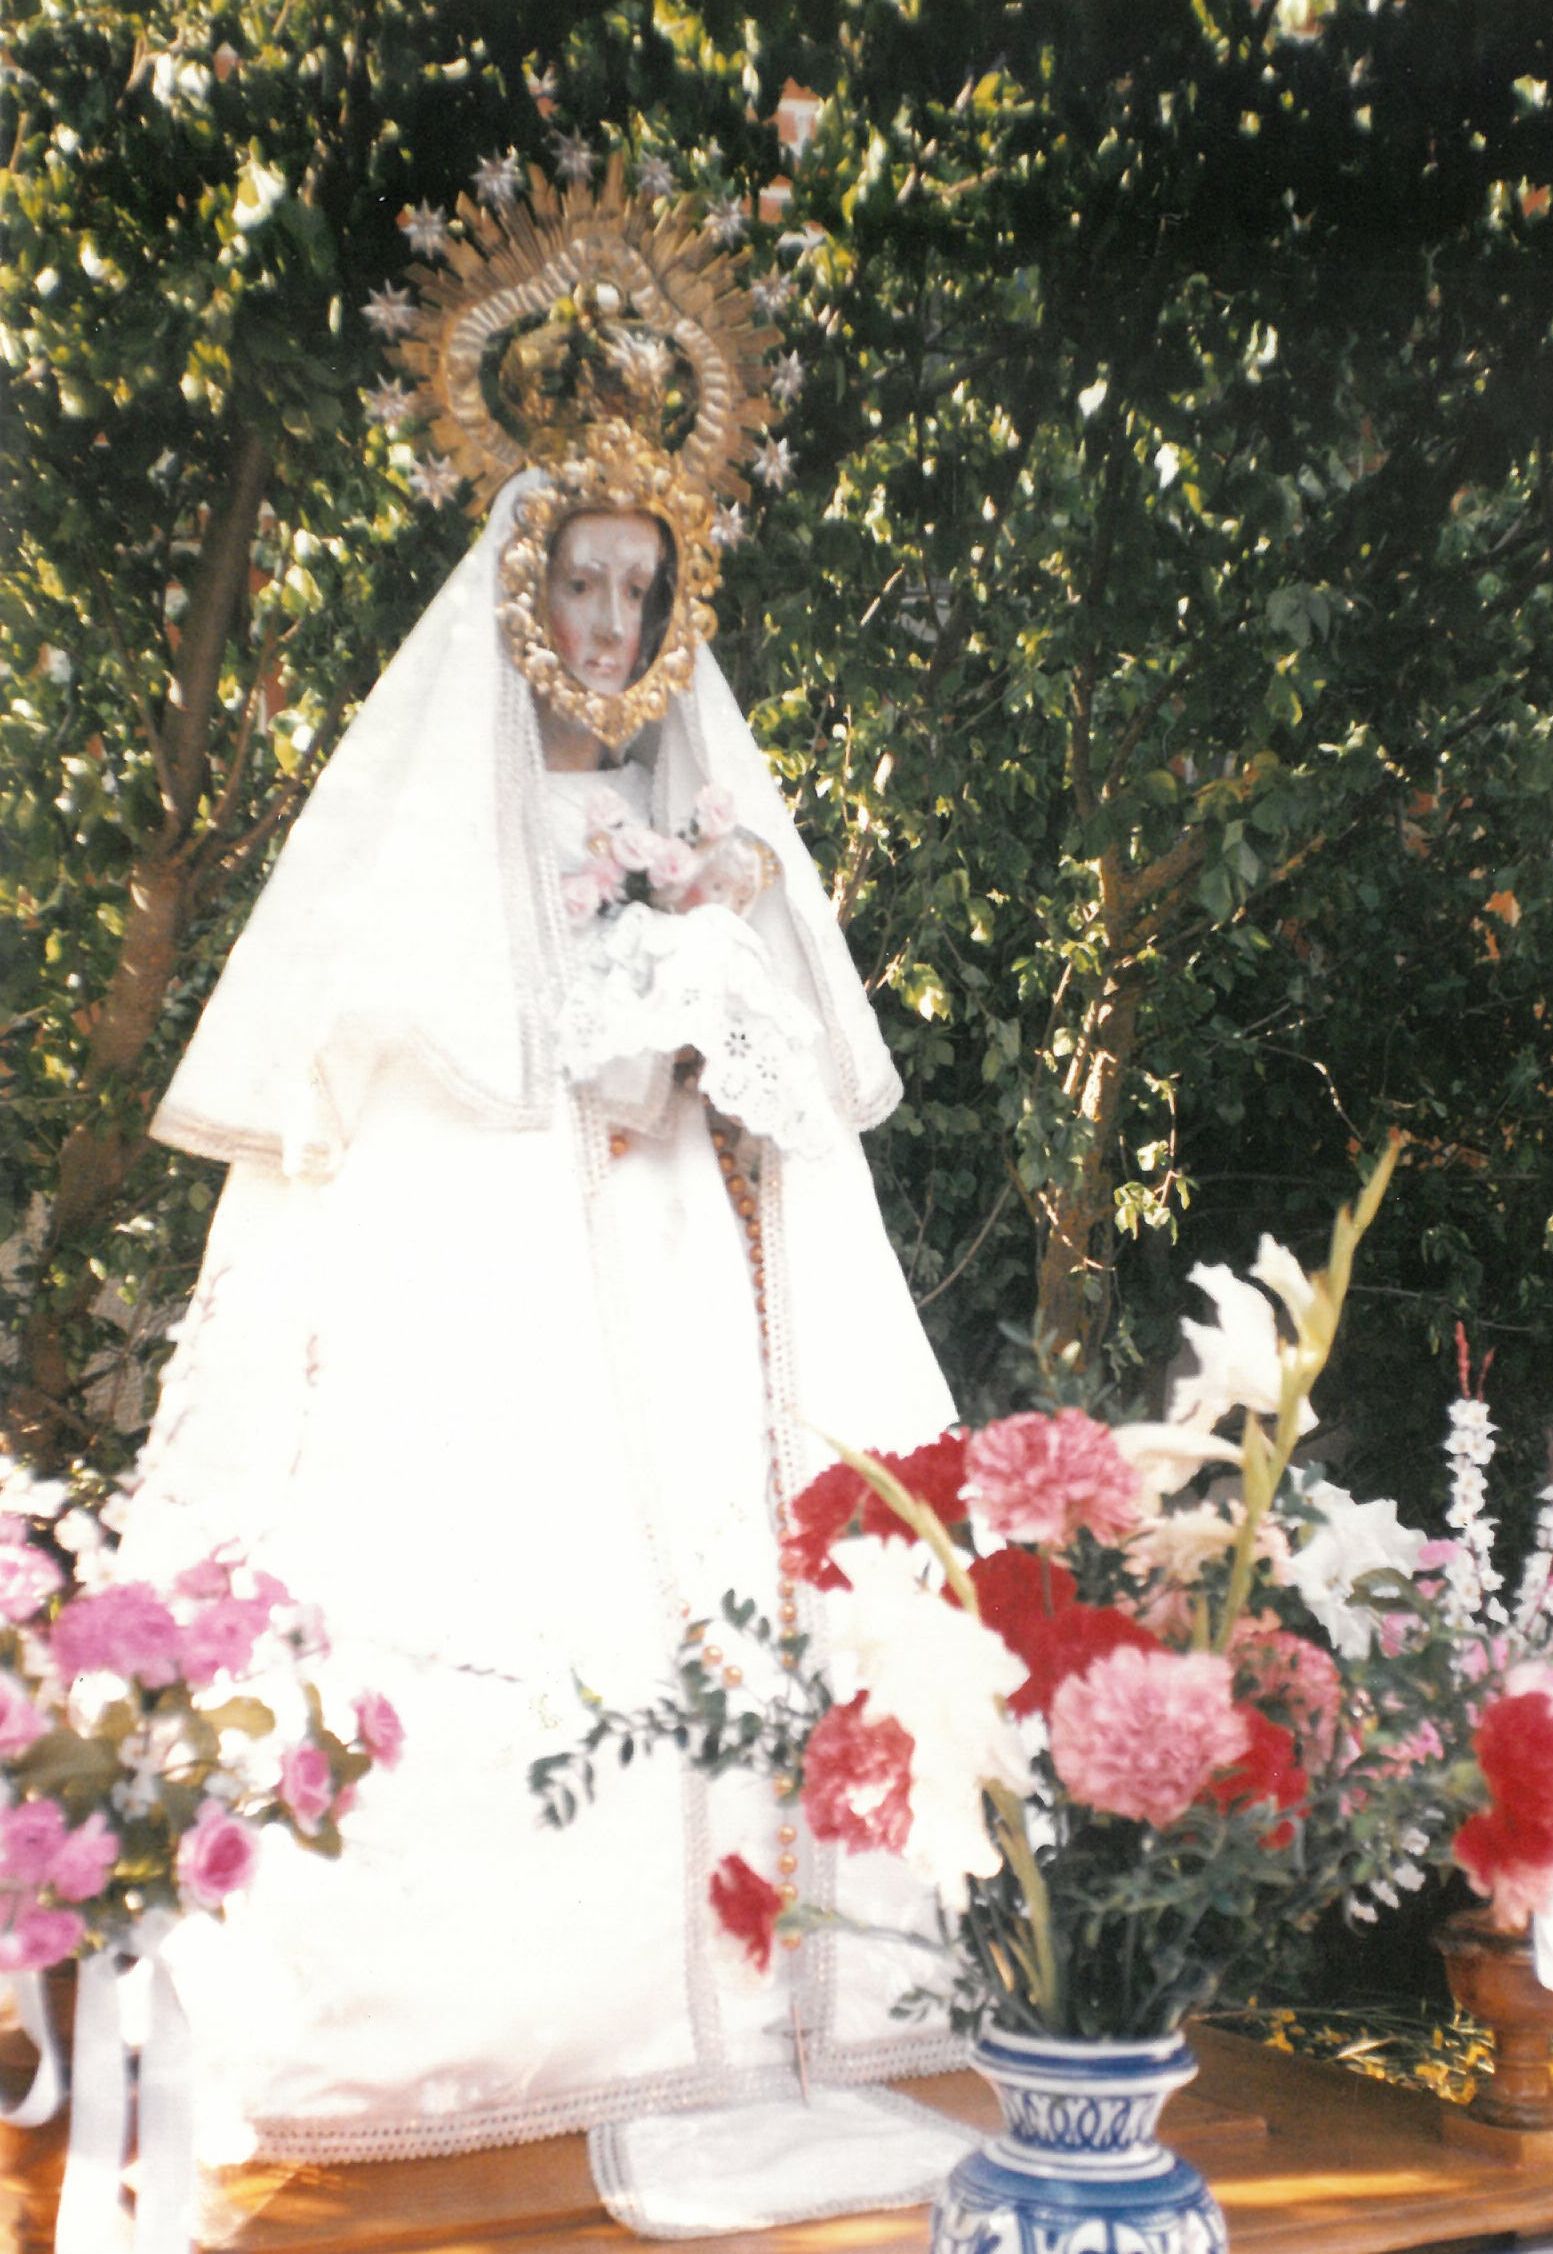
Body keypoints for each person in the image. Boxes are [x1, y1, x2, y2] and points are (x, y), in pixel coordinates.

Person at [121, 157, 965, 2174]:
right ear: (526, 590)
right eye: (579, 584)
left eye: (637, 590)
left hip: (688, 1250)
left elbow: (774, 1064)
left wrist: (707, 991)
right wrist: (608, 1033)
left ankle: (759, 1984)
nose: (606, 617)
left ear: (672, 608)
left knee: (733, 1564)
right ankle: (531, 2006)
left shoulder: (700, 809)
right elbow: (464, 1048)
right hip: (521, 1255)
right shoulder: (458, 818)